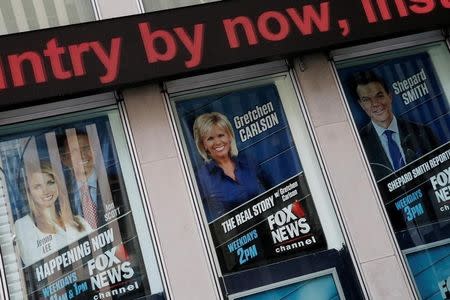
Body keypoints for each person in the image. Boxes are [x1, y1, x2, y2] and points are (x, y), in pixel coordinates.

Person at [349, 70, 440, 180]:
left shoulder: (423, 132)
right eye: (366, 100)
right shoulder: (359, 146)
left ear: (390, 96)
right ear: (361, 105)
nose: (375, 104)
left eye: (379, 96)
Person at [193, 112, 269, 221]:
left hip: (267, 228)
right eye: (210, 138)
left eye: (221, 135)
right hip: (235, 236)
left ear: (229, 136)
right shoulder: (202, 177)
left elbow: (273, 189)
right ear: (203, 145)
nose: (217, 142)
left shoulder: (247, 161)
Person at [14, 161, 92, 267]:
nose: (46, 190)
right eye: (38, 186)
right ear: (29, 192)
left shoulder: (78, 221)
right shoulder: (23, 226)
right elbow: (36, 266)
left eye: (50, 182)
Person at [58, 128, 124, 229]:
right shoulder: (61, 195)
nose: (82, 155)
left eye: (86, 148)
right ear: (64, 159)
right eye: (74, 151)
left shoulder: (118, 184)